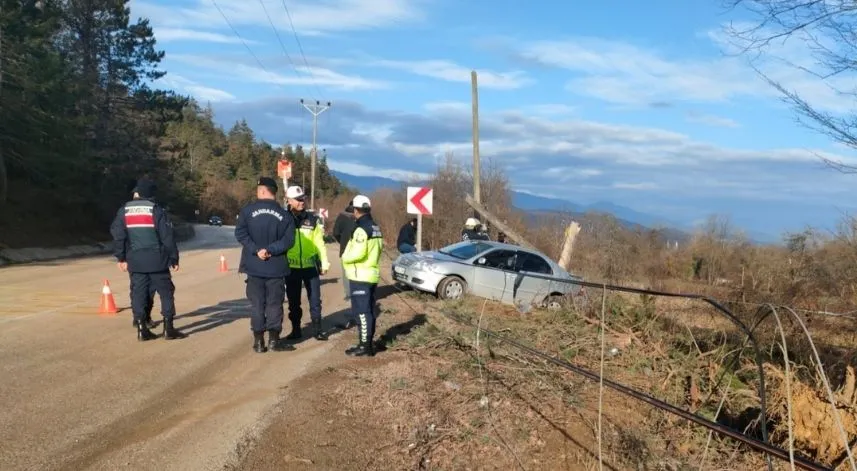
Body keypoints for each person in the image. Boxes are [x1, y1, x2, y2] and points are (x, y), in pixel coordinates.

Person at [110, 178, 186, 341]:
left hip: (135, 261)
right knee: (166, 293)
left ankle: (141, 328)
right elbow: (167, 237)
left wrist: (121, 257)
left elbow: (118, 235)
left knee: (138, 293)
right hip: (158, 260)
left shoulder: (124, 210)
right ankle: (168, 328)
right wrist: (174, 258)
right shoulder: (156, 210)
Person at [235, 177, 296, 353]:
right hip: (276, 267)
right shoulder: (285, 215)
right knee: (274, 304)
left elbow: (240, 234)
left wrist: (257, 250)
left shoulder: (247, 211)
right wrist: (270, 250)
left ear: (262, 190)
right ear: (274, 193)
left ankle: (258, 342)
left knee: (257, 304)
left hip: (254, 266)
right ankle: (274, 341)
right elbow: (288, 241)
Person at [283, 185, 329, 341]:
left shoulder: (312, 219)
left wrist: (324, 262)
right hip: (291, 268)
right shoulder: (283, 219)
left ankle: (318, 330)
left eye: (303, 198)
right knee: (294, 302)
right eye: (298, 199)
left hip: (310, 267)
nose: (302, 201)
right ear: (288, 200)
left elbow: (320, 243)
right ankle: (296, 330)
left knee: (315, 300)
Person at [341, 195, 383, 357]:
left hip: (360, 275)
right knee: (369, 311)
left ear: (356, 210)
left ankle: (365, 346)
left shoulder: (361, 229)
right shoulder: (375, 227)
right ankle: (366, 343)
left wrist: (345, 257)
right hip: (370, 274)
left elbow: (358, 253)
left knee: (362, 313)